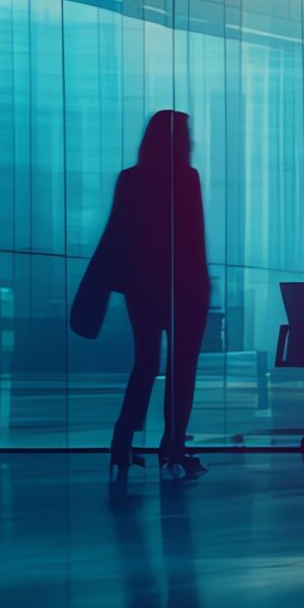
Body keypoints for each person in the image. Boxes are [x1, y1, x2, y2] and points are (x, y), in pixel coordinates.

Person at [80, 111, 211, 481]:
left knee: (146, 364)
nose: (192, 141)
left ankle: (122, 442)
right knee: (182, 370)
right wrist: (202, 286)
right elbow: (193, 240)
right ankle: (173, 448)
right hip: (185, 289)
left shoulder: (130, 179)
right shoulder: (186, 178)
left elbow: (117, 233)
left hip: (143, 289)